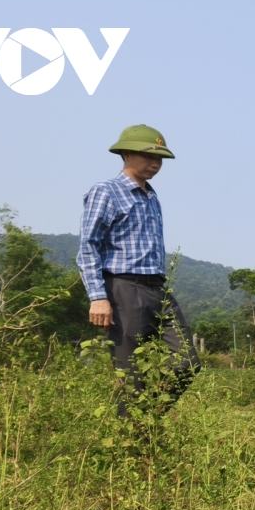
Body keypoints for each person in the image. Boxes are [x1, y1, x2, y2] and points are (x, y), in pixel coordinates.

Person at [76, 124, 199, 416]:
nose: (155, 164)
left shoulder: (151, 196)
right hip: (123, 289)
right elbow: (88, 246)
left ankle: (147, 420)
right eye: (148, 157)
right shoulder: (106, 192)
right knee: (131, 375)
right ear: (127, 153)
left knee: (187, 363)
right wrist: (98, 297)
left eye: (160, 159)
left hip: (158, 288)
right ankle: (132, 443)